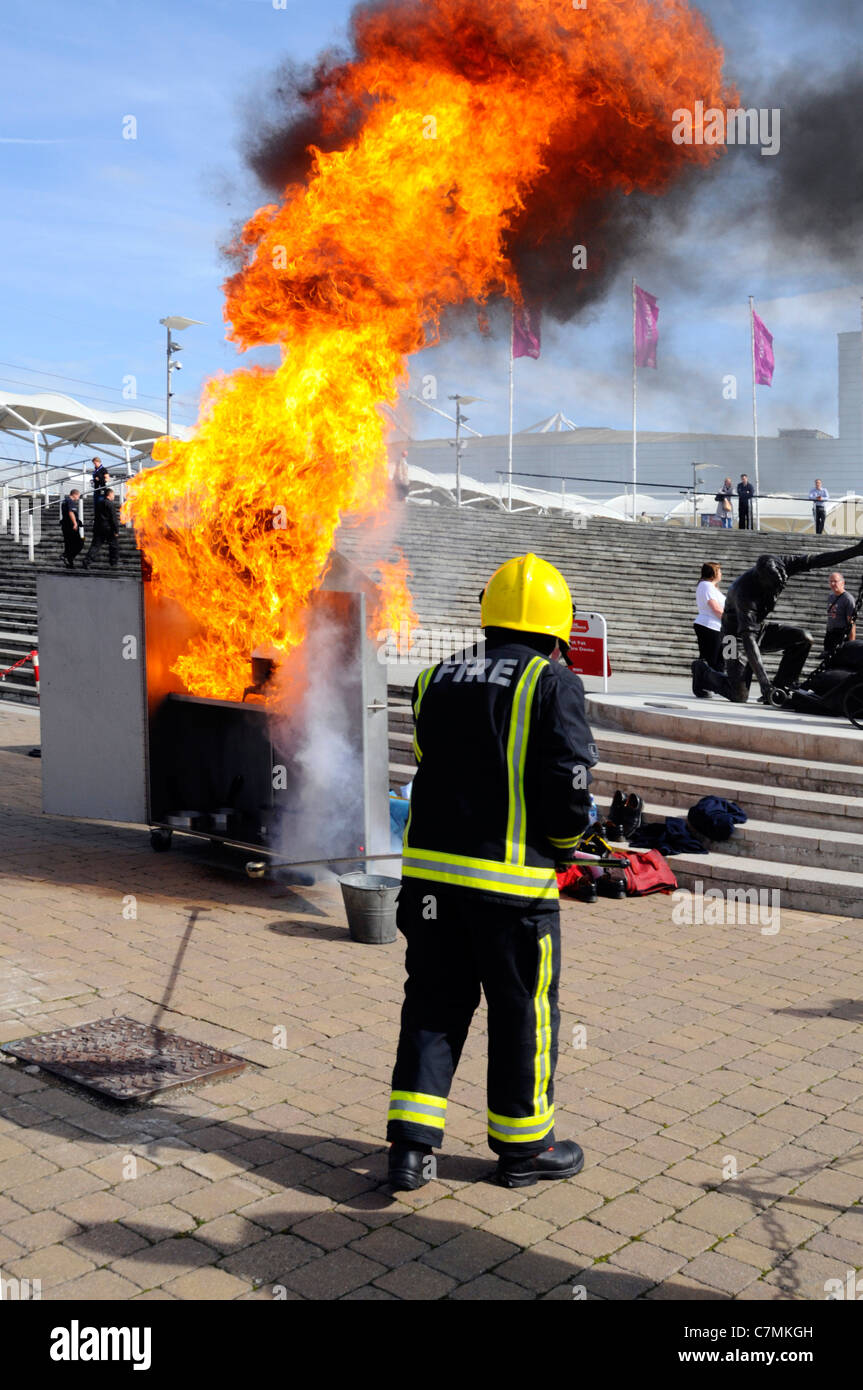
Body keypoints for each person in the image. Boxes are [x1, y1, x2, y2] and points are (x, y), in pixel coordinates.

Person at [386, 554, 596, 1192]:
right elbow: (568, 784)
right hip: (511, 895)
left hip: (427, 887)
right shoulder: (551, 683)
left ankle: (410, 1149)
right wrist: (566, 842)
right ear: (554, 631)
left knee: (432, 1004)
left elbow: (429, 762)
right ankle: (524, 1148)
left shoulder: (434, 678)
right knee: (521, 1014)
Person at [692, 537, 863, 704]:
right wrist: (765, 684)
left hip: (757, 628)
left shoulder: (782, 564)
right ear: (760, 580)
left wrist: (855, 550)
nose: (774, 592)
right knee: (738, 694)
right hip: (732, 636)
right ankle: (702, 671)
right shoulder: (744, 594)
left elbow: (818, 560)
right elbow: (748, 640)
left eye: (778, 586)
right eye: (770, 588)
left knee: (803, 638)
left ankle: (783, 685)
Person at [693, 562, 725, 672]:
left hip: (715, 626)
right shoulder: (706, 585)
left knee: (718, 659)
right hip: (710, 626)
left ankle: (713, 684)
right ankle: (707, 684)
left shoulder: (710, 587)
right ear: (713, 573)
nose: (721, 573)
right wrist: (730, 621)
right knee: (712, 660)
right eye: (719, 571)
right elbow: (715, 608)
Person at [82, 488, 120, 569]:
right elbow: (113, 518)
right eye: (113, 494)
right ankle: (113, 563)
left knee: (95, 546)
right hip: (108, 528)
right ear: (109, 494)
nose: (114, 496)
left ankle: (87, 561)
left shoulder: (99, 503)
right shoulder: (110, 504)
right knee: (114, 545)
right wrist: (116, 530)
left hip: (98, 527)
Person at [824, 571, 856, 660]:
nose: (833, 584)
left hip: (840, 635)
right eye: (831, 581)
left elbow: (851, 623)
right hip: (830, 634)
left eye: (835, 581)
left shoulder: (848, 599)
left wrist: (851, 643)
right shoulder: (831, 597)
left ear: (843, 583)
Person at [60, 488, 84, 568]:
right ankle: (67, 556)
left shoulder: (65, 501)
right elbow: (71, 512)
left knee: (69, 544)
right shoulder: (70, 501)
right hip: (70, 526)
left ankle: (69, 563)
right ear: (75, 494)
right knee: (80, 543)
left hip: (65, 526)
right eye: (78, 496)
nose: (78, 498)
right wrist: (75, 523)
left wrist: (78, 522)